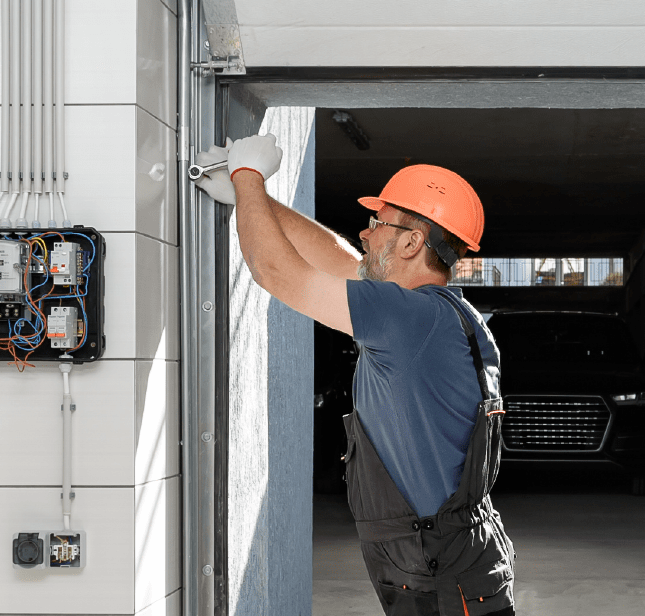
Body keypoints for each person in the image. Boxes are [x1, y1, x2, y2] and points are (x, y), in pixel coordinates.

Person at [196, 136, 516, 616]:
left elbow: (276, 272)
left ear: (411, 242)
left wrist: (248, 175)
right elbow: (338, 259)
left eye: (378, 223)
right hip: (440, 561)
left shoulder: (407, 317)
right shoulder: (432, 314)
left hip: (440, 576)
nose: (365, 234)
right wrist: (253, 199)